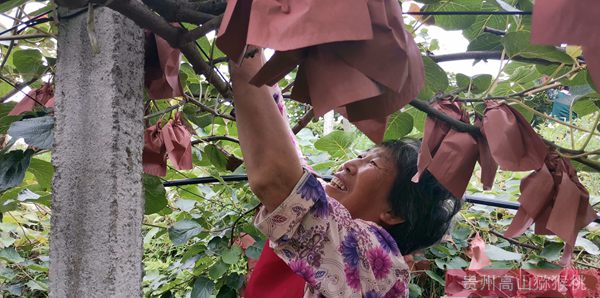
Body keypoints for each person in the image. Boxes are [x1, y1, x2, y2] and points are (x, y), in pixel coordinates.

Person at [229, 49, 462, 297]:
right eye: (362, 156)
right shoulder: (327, 217)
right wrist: (253, 45)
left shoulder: (380, 266)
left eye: (373, 164)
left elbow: (277, 179)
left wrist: (242, 44)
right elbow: (284, 146)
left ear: (394, 213)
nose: (349, 164)